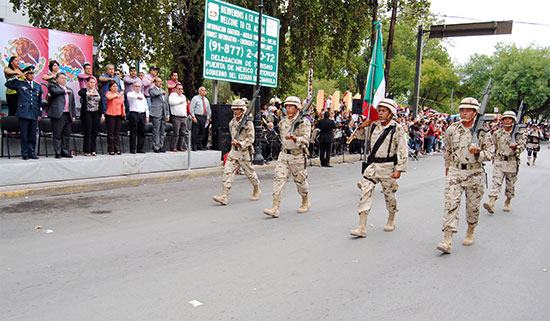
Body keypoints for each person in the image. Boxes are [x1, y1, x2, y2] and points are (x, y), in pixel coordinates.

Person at [436, 97, 494, 254]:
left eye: (468, 110)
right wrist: (447, 167)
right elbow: (447, 150)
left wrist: (479, 153)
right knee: (451, 203)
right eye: (462, 110)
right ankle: (447, 239)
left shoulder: (483, 132)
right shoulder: (452, 129)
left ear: (475, 113)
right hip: (456, 171)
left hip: (474, 173)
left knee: (472, 207)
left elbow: (490, 153)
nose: (464, 113)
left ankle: (470, 230)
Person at [349, 98, 408, 238]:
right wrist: (363, 126)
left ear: (391, 113)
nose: (380, 113)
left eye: (383, 111)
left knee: (389, 195)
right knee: (365, 192)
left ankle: (391, 217)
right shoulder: (374, 126)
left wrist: (399, 169)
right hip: (373, 165)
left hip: (388, 166)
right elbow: (361, 137)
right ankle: (362, 226)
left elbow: (402, 150)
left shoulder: (397, 129)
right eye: (379, 110)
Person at [264, 96, 311, 218]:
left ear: (297, 108)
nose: (287, 108)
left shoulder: (304, 122)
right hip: (284, 155)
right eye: (286, 106)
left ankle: (305, 201)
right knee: (279, 179)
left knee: (300, 181)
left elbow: (306, 140)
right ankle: (275, 207)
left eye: (291, 106)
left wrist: (295, 138)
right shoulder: (283, 122)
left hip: (297, 156)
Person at [213, 99, 261, 205]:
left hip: (244, 152)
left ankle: (256, 189)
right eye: (234, 109)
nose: (235, 111)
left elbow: (251, 139)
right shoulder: (232, 122)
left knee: (250, 174)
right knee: (227, 172)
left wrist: (240, 143)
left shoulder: (248, 123)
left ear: (242, 110)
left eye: (237, 109)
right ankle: (224, 196)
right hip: (234, 152)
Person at [483, 111, 526, 213]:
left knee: (510, 185)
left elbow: (523, 145)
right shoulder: (497, 133)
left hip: (511, 162)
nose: (507, 120)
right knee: (496, 182)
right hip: (499, 161)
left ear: (513, 121)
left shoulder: (518, 134)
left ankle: (508, 201)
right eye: (505, 119)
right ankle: (491, 202)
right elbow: (492, 146)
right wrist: (491, 157)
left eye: (509, 119)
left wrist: (516, 147)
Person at [4, 65, 43, 159]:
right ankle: (25, 153)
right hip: (24, 112)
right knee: (24, 134)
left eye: (32, 73)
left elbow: (39, 101)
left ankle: (32, 153)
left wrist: (39, 113)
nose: (31, 75)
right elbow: (8, 84)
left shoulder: (37, 85)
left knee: (32, 135)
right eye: (29, 74)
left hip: (33, 112)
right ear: (25, 74)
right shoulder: (20, 84)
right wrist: (18, 76)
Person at [47, 72, 76, 158]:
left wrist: (73, 114)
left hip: (68, 114)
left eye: (65, 78)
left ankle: (65, 151)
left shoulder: (69, 89)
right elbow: (54, 92)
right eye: (62, 78)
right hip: (58, 114)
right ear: (57, 79)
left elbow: (72, 104)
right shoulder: (54, 87)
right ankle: (58, 152)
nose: (64, 80)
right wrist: (64, 91)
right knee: (57, 134)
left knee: (67, 134)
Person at [78, 77, 102, 156]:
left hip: (96, 113)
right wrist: (88, 93)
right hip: (87, 112)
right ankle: (87, 150)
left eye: (94, 82)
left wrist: (102, 114)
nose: (92, 84)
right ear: (87, 83)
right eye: (91, 82)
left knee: (94, 131)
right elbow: (80, 93)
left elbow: (101, 103)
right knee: (88, 131)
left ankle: (93, 150)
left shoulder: (98, 91)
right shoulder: (84, 90)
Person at [126, 83, 149, 154]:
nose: (137, 88)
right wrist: (137, 97)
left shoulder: (142, 95)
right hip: (134, 113)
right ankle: (133, 149)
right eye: (136, 86)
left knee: (142, 132)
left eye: (139, 86)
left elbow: (146, 106)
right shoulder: (130, 94)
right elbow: (130, 97)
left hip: (142, 114)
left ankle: (140, 148)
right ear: (133, 87)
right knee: (133, 132)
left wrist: (147, 116)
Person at [104, 80, 125, 155]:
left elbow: (122, 104)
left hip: (118, 115)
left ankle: (117, 148)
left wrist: (123, 113)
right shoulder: (108, 93)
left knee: (117, 133)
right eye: (113, 86)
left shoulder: (120, 94)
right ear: (110, 87)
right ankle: (111, 149)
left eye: (116, 86)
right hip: (110, 114)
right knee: (111, 133)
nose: (115, 88)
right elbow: (109, 98)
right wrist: (115, 95)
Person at [149, 77, 170, 153]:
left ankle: (161, 145)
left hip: (163, 113)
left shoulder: (164, 92)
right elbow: (153, 94)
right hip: (156, 113)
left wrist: (167, 114)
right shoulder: (152, 90)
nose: (160, 83)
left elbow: (166, 104)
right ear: (155, 83)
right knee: (156, 130)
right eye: (158, 82)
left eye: (161, 81)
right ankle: (156, 146)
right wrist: (161, 92)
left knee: (162, 130)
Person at [189, 86, 211, 150]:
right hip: (197, 116)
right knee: (195, 132)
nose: (204, 92)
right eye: (202, 90)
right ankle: (194, 146)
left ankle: (200, 145)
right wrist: (193, 116)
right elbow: (191, 108)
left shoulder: (206, 100)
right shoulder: (195, 98)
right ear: (199, 91)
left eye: (205, 90)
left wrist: (208, 118)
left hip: (203, 117)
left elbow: (208, 110)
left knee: (202, 132)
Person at [168, 84, 188, 152]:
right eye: (179, 89)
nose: (180, 90)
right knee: (176, 133)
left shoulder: (183, 96)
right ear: (175, 89)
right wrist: (179, 102)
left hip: (183, 117)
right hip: (176, 117)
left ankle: (180, 146)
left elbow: (185, 106)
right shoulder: (172, 95)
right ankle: (173, 147)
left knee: (183, 132)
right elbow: (171, 102)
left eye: (181, 89)